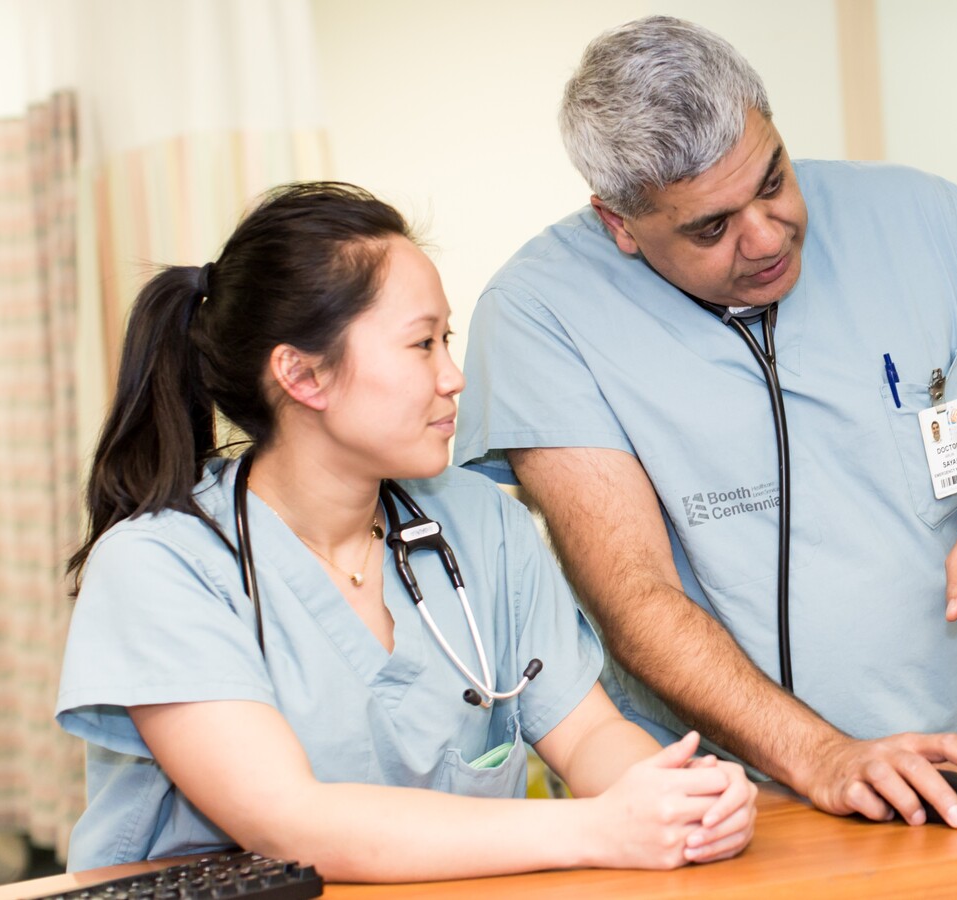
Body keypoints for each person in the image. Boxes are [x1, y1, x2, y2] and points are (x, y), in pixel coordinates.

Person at [454, 17, 957, 830]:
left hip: (942, 774)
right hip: (708, 809)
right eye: (709, 228)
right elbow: (636, 599)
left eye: (771, 181)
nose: (765, 237)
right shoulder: (540, 314)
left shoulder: (920, 221)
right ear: (619, 224)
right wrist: (823, 757)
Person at [57, 183, 755, 880]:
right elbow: (288, 821)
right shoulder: (162, 567)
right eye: (422, 343)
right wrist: (597, 828)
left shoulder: (483, 525)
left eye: (445, 340)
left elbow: (589, 733)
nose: (453, 377)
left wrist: (673, 798)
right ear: (302, 375)